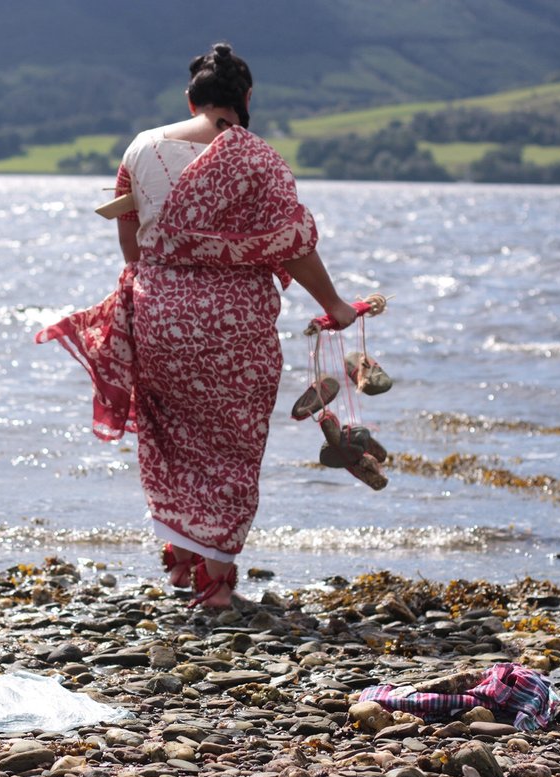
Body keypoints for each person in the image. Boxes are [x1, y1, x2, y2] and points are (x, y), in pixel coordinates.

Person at [36, 43, 357, 608]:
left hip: (158, 312)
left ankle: (182, 557)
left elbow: (130, 240)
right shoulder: (261, 160)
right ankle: (216, 581)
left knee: (170, 434)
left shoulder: (142, 148)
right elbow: (295, 246)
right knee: (232, 444)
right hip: (235, 324)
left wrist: (158, 287)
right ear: (247, 99)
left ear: (191, 98)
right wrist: (335, 305)